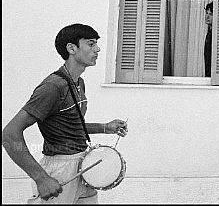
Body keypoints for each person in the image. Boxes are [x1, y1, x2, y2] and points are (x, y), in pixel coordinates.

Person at [2, 23, 128, 204]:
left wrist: (105, 127)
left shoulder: (79, 83)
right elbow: (9, 134)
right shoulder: (52, 87)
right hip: (60, 169)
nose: (98, 49)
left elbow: (70, 123)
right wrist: (41, 178)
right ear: (72, 48)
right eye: (91, 44)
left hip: (82, 164)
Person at [204, 2, 213, 77]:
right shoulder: (209, 32)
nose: (207, 17)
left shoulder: (215, 35)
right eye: (207, 13)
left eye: (210, 14)